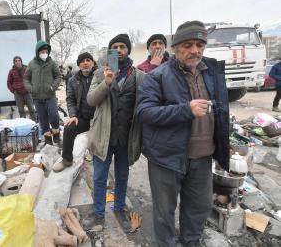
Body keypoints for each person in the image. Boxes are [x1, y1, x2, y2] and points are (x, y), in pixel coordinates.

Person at [137, 21, 230, 246]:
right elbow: (144, 112)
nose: (195, 50)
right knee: (164, 213)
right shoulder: (156, 76)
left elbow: (222, 110)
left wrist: (224, 139)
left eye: (200, 45)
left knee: (199, 208)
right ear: (176, 47)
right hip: (166, 158)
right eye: (188, 45)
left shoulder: (212, 72)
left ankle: (191, 242)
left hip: (203, 157)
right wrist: (185, 110)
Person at [83, 34, 146, 232]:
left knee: (122, 175)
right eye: (114, 47)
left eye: (122, 47)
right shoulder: (100, 74)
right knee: (100, 177)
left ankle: (120, 208)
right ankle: (98, 212)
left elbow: (144, 104)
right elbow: (91, 100)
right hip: (103, 135)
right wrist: (107, 82)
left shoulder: (138, 76)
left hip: (125, 137)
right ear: (109, 51)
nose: (118, 50)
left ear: (128, 50)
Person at [52, 52, 96, 172]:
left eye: (88, 60)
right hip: (82, 117)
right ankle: (66, 159)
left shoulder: (100, 76)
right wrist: (73, 115)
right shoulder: (73, 80)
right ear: (79, 64)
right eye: (82, 61)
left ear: (93, 62)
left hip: (98, 118)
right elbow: (70, 99)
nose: (85, 63)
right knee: (69, 127)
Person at [24, 40, 62, 145]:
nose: (44, 53)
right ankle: (48, 141)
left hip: (50, 96)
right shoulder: (31, 64)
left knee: (54, 116)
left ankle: (57, 136)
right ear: (38, 52)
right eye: (42, 51)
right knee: (43, 120)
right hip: (37, 98)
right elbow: (26, 79)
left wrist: (52, 87)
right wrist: (30, 88)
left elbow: (58, 76)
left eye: (46, 51)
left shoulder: (52, 63)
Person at [7, 56, 37, 120]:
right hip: (18, 94)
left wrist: (31, 88)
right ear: (14, 63)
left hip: (27, 93)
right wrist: (13, 91)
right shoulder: (11, 71)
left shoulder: (27, 69)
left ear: (21, 61)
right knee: (21, 111)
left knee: (31, 109)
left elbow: (33, 79)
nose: (17, 62)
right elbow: (9, 83)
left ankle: (34, 122)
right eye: (16, 61)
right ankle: (24, 123)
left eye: (19, 60)